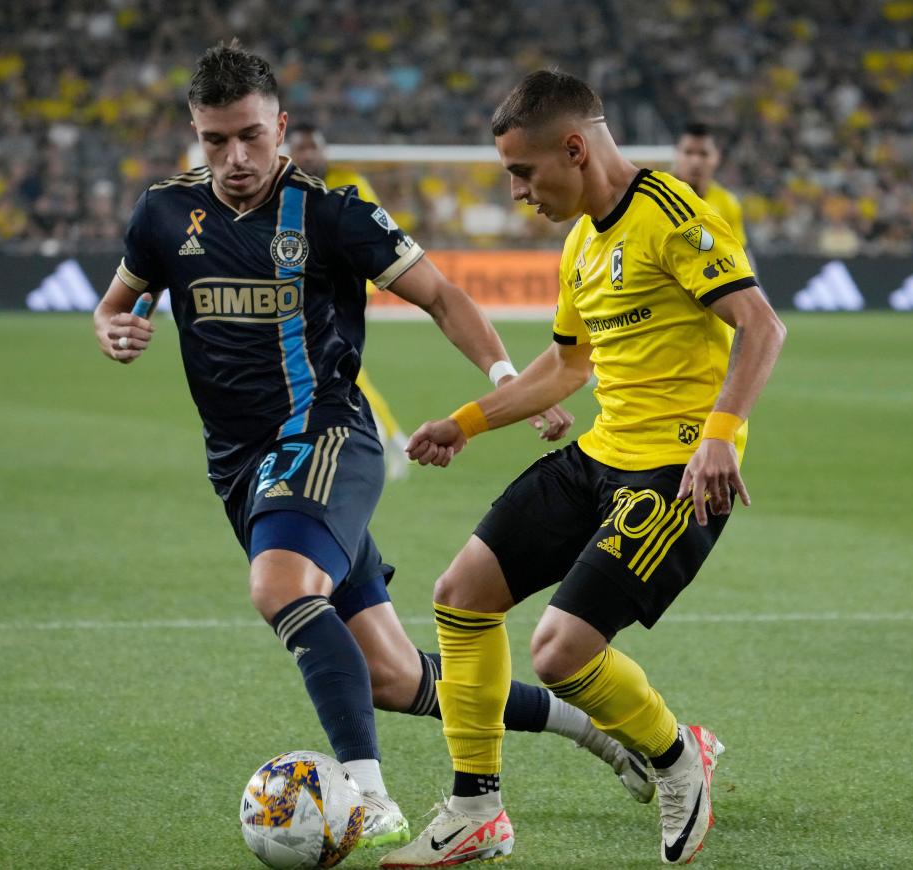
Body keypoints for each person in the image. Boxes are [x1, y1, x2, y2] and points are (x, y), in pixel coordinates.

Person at [92, 46, 657, 851]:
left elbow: (442, 294)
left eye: (251, 136)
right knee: (393, 678)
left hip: (324, 437)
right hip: (241, 469)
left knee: (279, 585)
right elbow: (116, 302)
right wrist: (111, 327)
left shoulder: (332, 214)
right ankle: (597, 733)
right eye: (215, 141)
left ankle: (365, 794)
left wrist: (503, 379)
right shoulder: (161, 215)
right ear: (195, 135)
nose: (236, 158)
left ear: (280, 127)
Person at [382, 71, 786, 867]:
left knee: (560, 652)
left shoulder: (672, 215)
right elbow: (568, 368)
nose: (516, 192)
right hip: (600, 457)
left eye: (523, 173)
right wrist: (465, 422)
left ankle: (678, 760)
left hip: (676, 473)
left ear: (574, 147)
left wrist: (721, 433)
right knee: (461, 595)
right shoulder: (581, 242)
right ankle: (475, 810)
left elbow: (761, 326)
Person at [287, 123, 410, 481]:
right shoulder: (283, 189)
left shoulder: (349, 182)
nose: (308, 155)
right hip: (304, 293)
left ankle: (382, 438)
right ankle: (382, 438)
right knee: (340, 369)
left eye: (313, 148)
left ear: (324, 151)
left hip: (341, 292)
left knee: (337, 365)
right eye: (301, 149)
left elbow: (374, 229)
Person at [673, 121, 748, 250]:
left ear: (716, 157)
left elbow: (740, 253)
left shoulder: (727, 203)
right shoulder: (655, 197)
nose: (695, 161)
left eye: (703, 154)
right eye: (688, 153)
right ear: (676, 154)